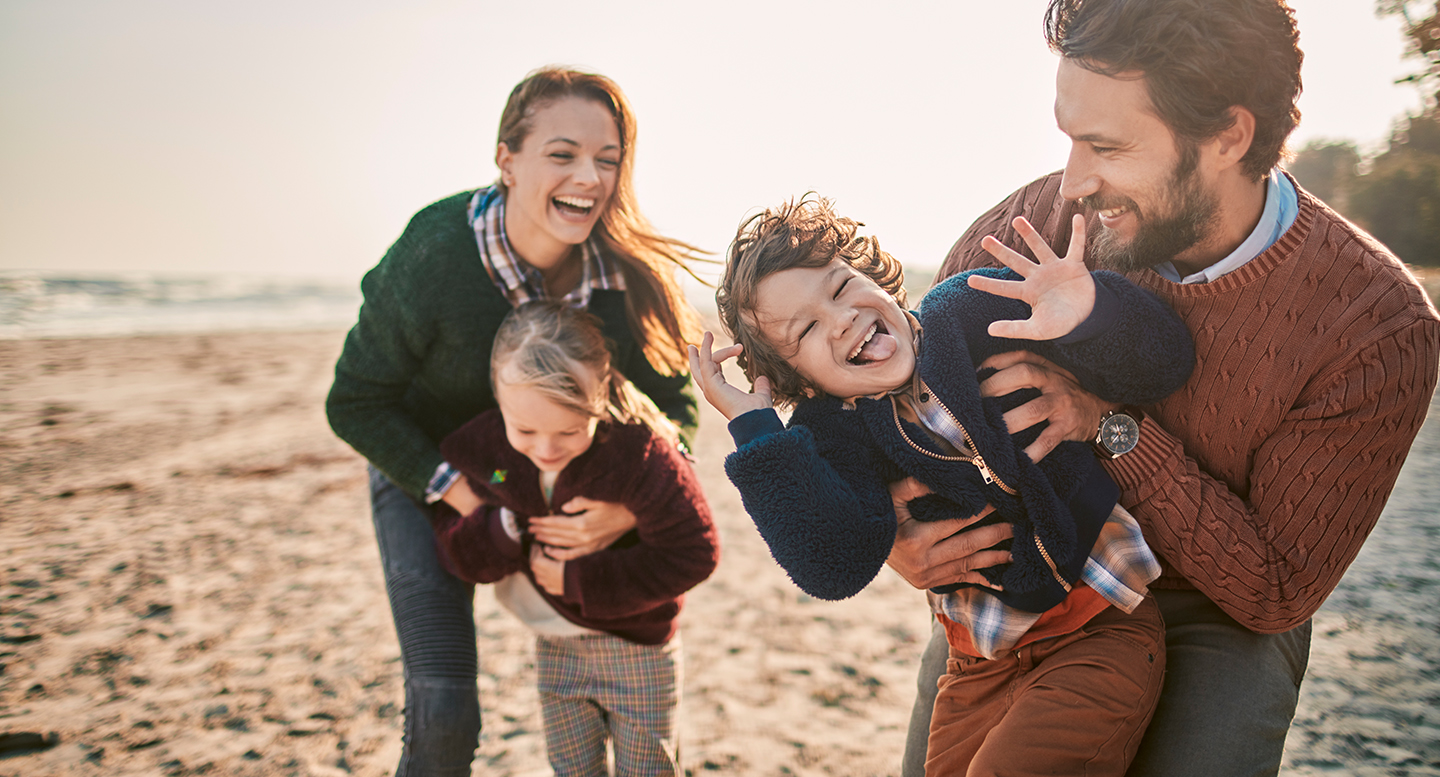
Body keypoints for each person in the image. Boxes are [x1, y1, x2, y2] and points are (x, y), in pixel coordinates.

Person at [891, 2, 1440, 776]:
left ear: (1228, 135)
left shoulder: (1374, 328)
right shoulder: (1039, 219)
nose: (1074, 179)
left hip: (1217, 603)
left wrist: (1111, 428)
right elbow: (897, 397)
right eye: (1070, 137)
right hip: (1039, 565)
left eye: (1106, 145)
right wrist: (894, 531)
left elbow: (1276, 586)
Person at [689, 195, 1194, 774]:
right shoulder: (833, 433)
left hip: (1095, 627)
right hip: (976, 661)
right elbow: (832, 562)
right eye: (806, 329)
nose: (842, 318)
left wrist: (1088, 313)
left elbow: (1166, 360)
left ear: (872, 275)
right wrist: (754, 429)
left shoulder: (970, 312)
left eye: (839, 286)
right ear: (797, 381)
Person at [325, 66, 705, 776]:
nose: (588, 177)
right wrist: (466, 495)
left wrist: (625, 508)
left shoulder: (626, 276)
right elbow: (354, 400)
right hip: (431, 475)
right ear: (507, 158)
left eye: (607, 159)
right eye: (562, 154)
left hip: (560, 485)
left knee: (640, 718)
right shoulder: (435, 252)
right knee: (444, 708)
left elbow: (674, 410)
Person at [431, 301, 719, 776]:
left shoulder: (638, 453)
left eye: (569, 429)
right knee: (572, 770)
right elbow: (460, 548)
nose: (545, 449)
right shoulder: (495, 455)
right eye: (524, 429)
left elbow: (696, 551)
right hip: (554, 645)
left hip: (640, 649)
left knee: (647, 770)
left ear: (600, 394)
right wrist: (499, 529)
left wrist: (580, 579)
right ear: (498, 399)